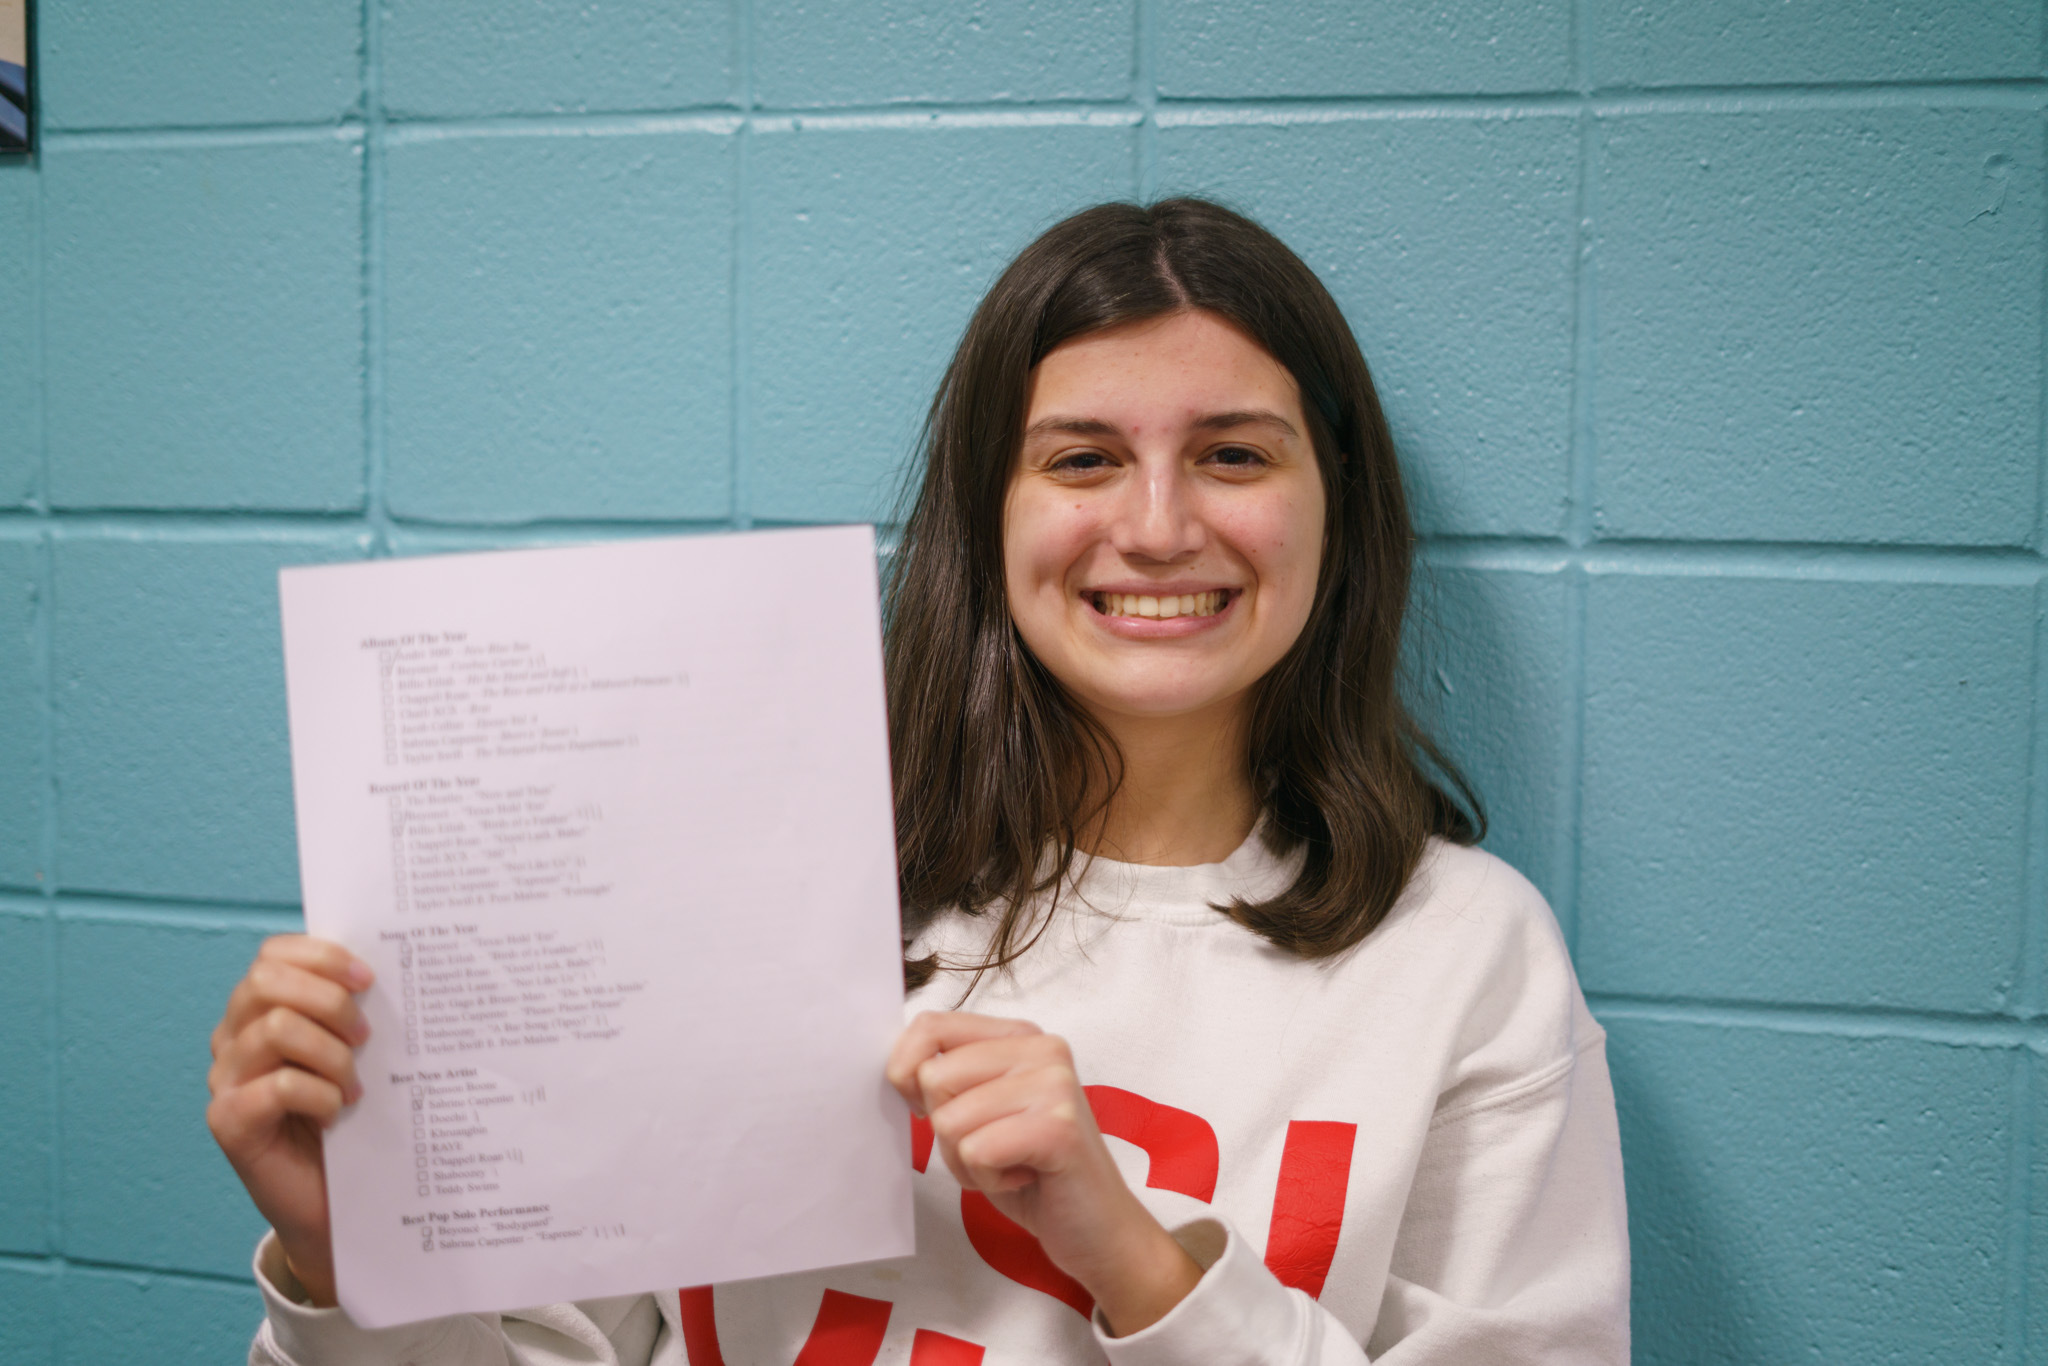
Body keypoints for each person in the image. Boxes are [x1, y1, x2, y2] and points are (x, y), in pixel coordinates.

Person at [208, 198, 1630, 1364]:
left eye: (1231, 455)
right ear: (987, 515)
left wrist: (1137, 1262)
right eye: (1081, 458)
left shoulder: (1465, 956)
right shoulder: (736, 882)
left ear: (1338, 501)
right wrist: (347, 1258)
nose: (1155, 524)